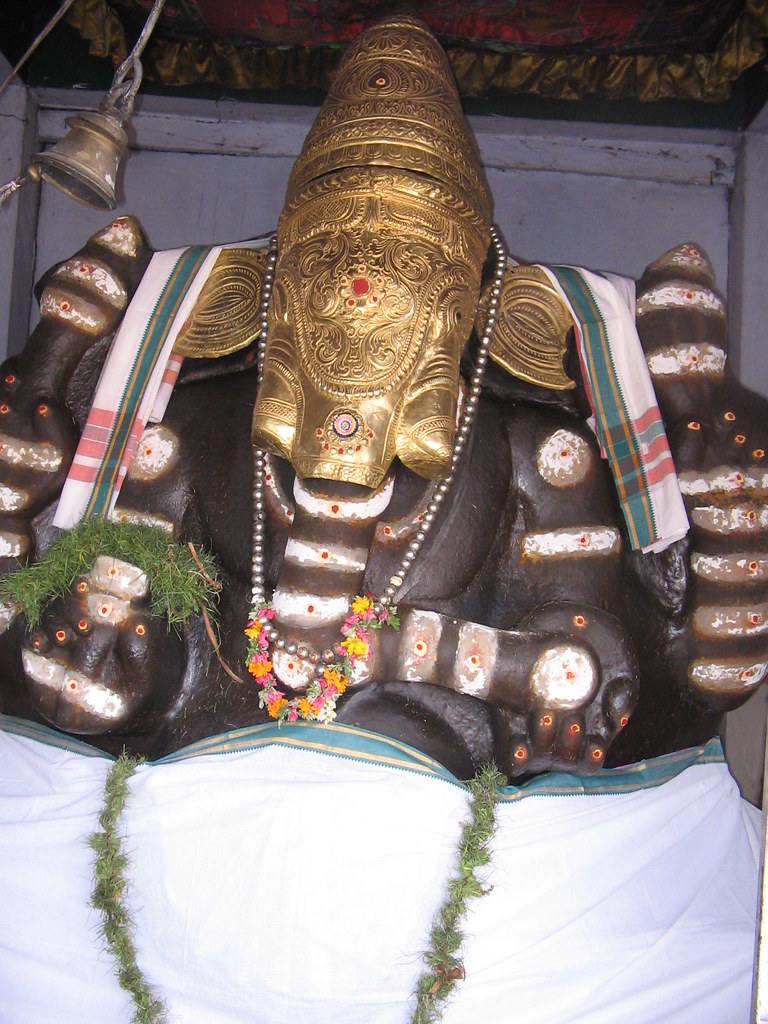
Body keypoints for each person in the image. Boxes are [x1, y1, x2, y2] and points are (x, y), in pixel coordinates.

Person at [0, 14, 766, 782]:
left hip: (431, 792)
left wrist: (385, 650)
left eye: (411, 279)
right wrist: (115, 643)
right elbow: (144, 614)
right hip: (214, 776)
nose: (360, 305)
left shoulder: (534, 454)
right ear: (277, 287)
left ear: (467, 305)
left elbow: (586, 668)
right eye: (324, 277)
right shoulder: (196, 429)